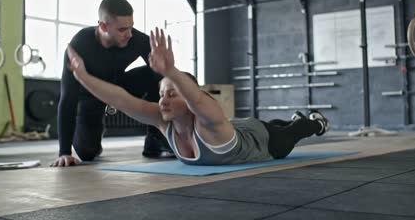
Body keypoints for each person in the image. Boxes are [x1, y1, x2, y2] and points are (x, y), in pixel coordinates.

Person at [64, 27, 330, 165]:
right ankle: (292, 119)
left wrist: (170, 71)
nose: (163, 100)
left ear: (189, 102)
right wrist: (83, 77)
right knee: (276, 122)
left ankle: (314, 123)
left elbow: (197, 98)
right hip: (236, 127)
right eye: (161, 94)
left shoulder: (205, 117)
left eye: (171, 94)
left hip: (264, 141)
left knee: (295, 130)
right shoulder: (163, 119)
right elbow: (121, 99)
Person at [52, 0, 173, 167]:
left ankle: (155, 140)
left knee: (158, 75)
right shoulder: (79, 46)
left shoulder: (135, 39)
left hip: (119, 87)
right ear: (103, 26)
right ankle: (94, 133)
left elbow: (166, 78)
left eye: (131, 27)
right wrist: (64, 152)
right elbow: (67, 100)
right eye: (122, 29)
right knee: (87, 153)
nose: (129, 34)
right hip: (89, 98)